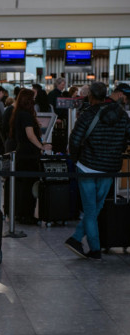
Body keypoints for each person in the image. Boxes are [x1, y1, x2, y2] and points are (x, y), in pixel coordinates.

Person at [65, 82, 130, 260]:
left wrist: (76, 159)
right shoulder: (122, 115)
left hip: (87, 166)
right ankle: (79, 239)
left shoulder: (88, 114)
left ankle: (93, 248)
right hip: (109, 168)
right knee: (97, 207)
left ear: (91, 96)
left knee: (90, 209)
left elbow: (75, 139)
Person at [10, 88, 52, 224]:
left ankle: (20, 214)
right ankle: (27, 215)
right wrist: (41, 146)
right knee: (29, 186)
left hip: (21, 152)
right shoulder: (26, 116)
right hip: (29, 154)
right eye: (33, 98)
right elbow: (30, 135)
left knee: (22, 186)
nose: (34, 101)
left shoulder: (18, 114)